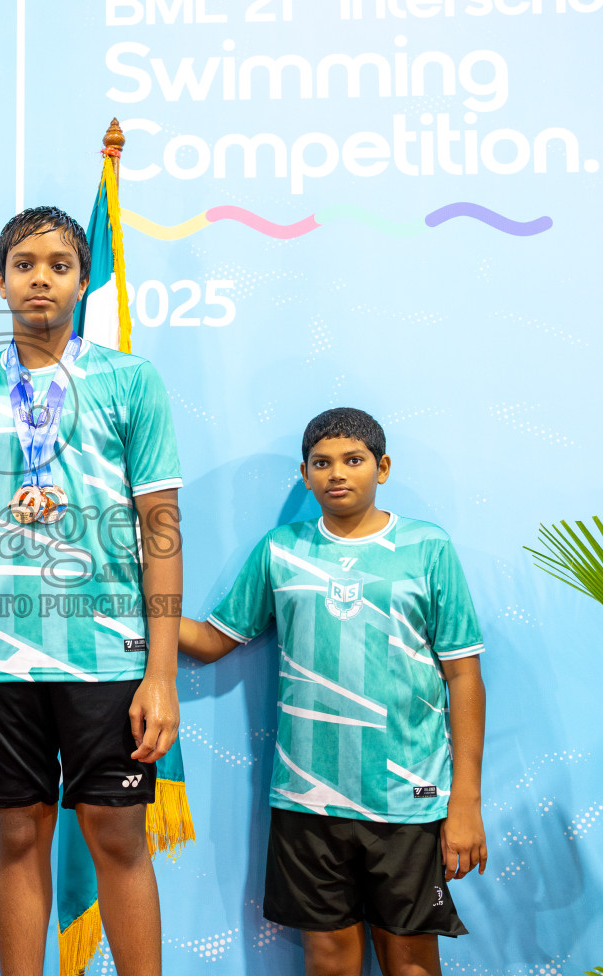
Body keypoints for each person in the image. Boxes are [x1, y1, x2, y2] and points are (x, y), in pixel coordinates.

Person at [0, 206, 183, 976]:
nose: (42, 277)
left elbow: (161, 529)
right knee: (17, 835)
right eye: (25, 264)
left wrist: (161, 674)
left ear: (81, 282)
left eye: (60, 265)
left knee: (118, 835)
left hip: (108, 655)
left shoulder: (129, 381)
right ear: (0, 280)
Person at [178, 407, 487, 976]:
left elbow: (464, 675)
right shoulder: (281, 550)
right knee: (327, 957)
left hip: (408, 795)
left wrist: (464, 801)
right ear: (305, 474)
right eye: (321, 463)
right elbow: (212, 640)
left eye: (353, 460)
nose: (337, 473)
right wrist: (136, 601)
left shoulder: (427, 548)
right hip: (307, 795)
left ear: (382, 467)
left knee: (410, 957)